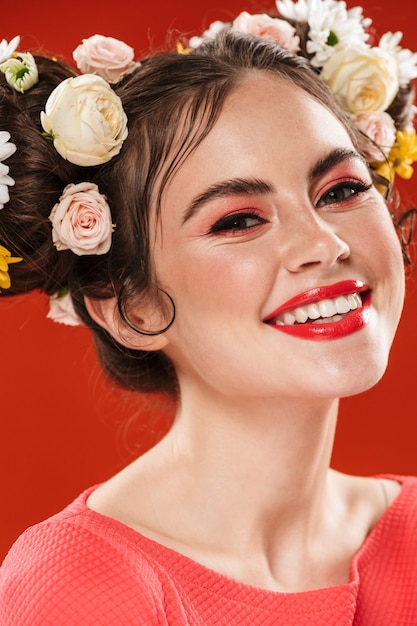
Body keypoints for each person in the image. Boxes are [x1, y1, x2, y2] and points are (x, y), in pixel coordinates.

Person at [1, 1, 417, 623]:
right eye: (239, 220)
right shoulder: (82, 584)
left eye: (341, 190)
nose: (326, 244)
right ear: (127, 305)